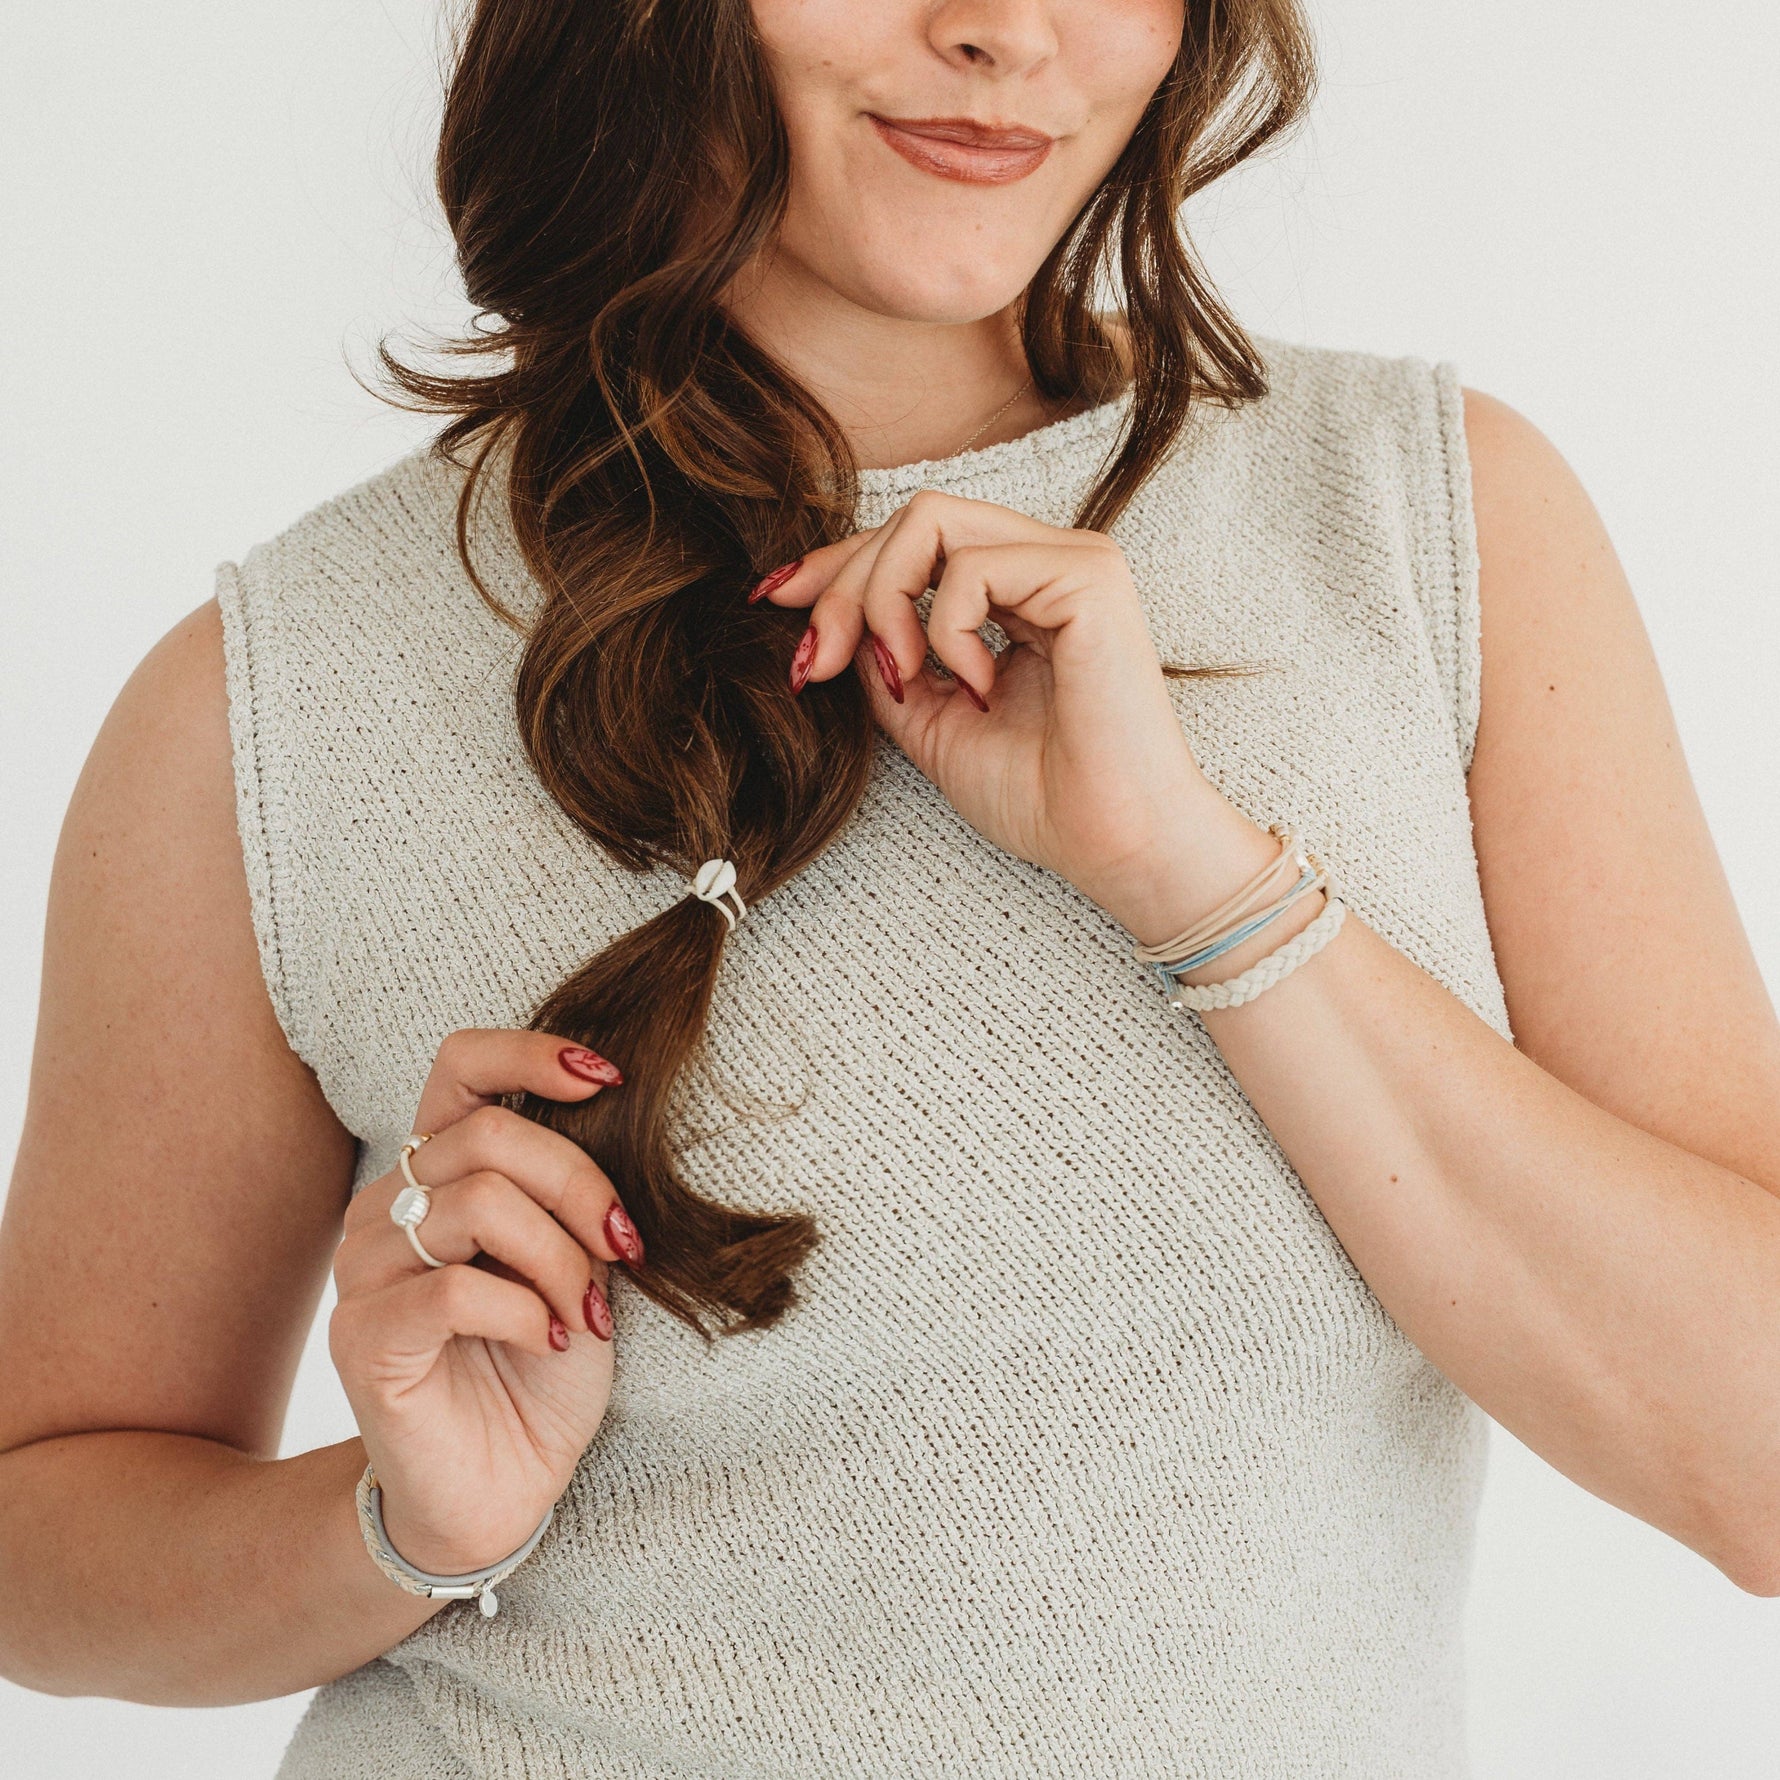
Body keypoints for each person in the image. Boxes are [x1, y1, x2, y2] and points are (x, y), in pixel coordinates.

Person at [4, 0, 1779, 1774]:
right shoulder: (274, 696)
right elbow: (37, 1545)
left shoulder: (1424, 527)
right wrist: (401, 1527)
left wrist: (1193, 877)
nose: (1001, 31)